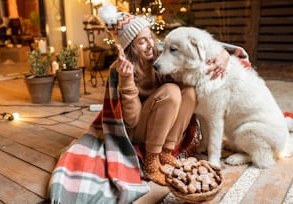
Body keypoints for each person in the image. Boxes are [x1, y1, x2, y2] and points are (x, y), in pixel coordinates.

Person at [99, 5, 236, 186]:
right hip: (139, 129)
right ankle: (151, 159)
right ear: (130, 46)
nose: (150, 45)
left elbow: (203, 43)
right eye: (142, 42)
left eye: (150, 38)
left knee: (189, 91)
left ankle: (166, 151)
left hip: (162, 121)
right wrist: (126, 81)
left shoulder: (158, 52)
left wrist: (224, 54)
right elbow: (131, 120)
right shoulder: (121, 70)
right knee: (171, 90)